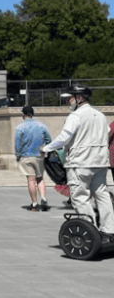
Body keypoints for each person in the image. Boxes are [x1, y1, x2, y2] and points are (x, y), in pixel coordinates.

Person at [41, 85, 114, 241]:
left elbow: (63, 138)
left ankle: (90, 230)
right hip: (100, 162)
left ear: (79, 98)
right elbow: (107, 134)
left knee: (80, 197)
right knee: (102, 195)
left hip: (80, 162)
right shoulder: (100, 115)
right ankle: (109, 230)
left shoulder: (75, 116)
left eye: (70, 98)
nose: (68, 101)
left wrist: (45, 148)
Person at [14, 105, 51, 211]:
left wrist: (18, 154)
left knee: (31, 180)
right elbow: (48, 140)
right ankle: (43, 198)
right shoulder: (41, 126)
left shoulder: (20, 127)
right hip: (39, 156)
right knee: (40, 178)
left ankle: (34, 204)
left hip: (26, 156)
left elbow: (17, 143)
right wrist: (44, 149)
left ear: (23, 115)